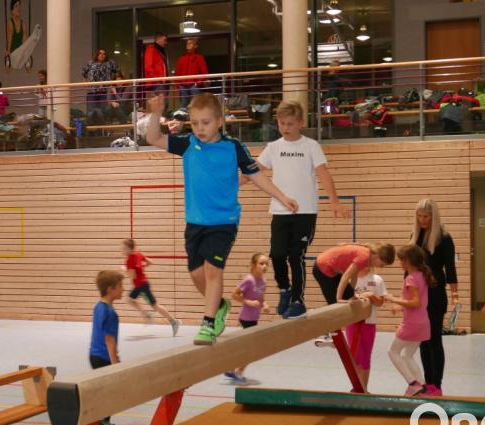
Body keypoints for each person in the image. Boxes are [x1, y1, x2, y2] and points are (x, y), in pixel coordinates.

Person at [146, 92, 298, 346]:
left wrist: (281, 196)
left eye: (205, 123)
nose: (199, 128)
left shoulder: (233, 147)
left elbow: (255, 175)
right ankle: (220, 305)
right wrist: (155, 112)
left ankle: (207, 324)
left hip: (224, 221)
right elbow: (153, 137)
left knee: (212, 271)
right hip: (195, 222)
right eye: (194, 123)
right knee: (196, 275)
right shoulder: (187, 144)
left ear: (219, 121)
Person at [252, 101, 349, 319]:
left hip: (305, 212)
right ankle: (285, 290)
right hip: (279, 210)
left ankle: (298, 300)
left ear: (301, 123)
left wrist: (334, 201)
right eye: (282, 123)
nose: (285, 127)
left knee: (296, 256)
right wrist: (231, 185)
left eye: (290, 123)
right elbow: (254, 171)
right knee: (277, 255)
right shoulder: (273, 147)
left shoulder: (310, 146)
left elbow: (323, 173)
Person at [411, 199, 458, 396]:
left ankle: (436, 384)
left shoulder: (444, 238)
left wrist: (455, 294)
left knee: (434, 340)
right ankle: (428, 382)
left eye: (426, 216)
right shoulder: (415, 236)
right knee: (423, 340)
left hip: (436, 292)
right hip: (418, 294)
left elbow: (450, 268)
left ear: (434, 216)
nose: (422, 220)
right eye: (419, 216)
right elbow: (410, 267)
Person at [385, 245, 433, 397]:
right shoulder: (421, 276)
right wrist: (398, 306)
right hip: (423, 323)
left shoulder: (410, 278)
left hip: (411, 324)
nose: (400, 263)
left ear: (407, 261)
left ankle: (413, 384)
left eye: (401, 260)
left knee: (392, 352)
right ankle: (423, 385)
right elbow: (417, 304)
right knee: (407, 356)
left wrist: (394, 299)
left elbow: (415, 302)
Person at [87, 270, 124, 425]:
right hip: (103, 357)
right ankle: (103, 422)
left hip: (96, 355)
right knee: (108, 392)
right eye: (120, 286)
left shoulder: (100, 306)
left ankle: (100, 420)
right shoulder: (108, 311)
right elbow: (109, 339)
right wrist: (115, 363)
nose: (123, 289)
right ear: (110, 289)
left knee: (104, 390)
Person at [225, 253, 271, 383]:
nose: (265, 266)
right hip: (246, 318)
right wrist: (249, 302)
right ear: (254, 265)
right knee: (252, 348)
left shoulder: (263, 281)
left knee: (249, 347)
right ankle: (237, 371)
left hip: (254, 318)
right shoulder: (249, 280)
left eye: (267, 264)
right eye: (261, 263)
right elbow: (235, 295)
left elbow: (261, 299)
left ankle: (231, 368)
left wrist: (265, 305)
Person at [122, 239, 181, 336]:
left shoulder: (129, 260)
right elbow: (150, 262)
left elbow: (133, 276)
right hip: (141, 284)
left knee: (155, 306)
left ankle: (173, 322)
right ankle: (146, 314)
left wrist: (124, 270)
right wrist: (141, 267)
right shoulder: (139, 254)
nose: (122, 250)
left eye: (124, 248)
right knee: (129, 299)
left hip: (141, 286)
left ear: (130, 249)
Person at [343, 266, 387, 390]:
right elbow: (343, 299)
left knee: (365, 357)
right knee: (354, 357)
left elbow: (380, 303)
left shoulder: (377, 279)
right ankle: (356, 387)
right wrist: (356, 296)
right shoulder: (349, 278)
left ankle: (363, 388)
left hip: (369, 322)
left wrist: (371, 295)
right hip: (352, 322)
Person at [312, 243, 395, 309]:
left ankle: (334, 323)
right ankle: (330, 325)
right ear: (377, 256)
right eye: (381, 265)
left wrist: (353, 296)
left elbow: (354, 276)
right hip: (322, 268)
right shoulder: (364, 257)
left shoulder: (366, 256)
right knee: (334, 304)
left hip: (330, 269)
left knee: (348, 295)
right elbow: (346, 277)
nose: (381, 267)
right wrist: (339, 298)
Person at [82, 49, 120, 124]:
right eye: (100, 53)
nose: (102, 55)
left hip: (103, 91)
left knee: (102, 112)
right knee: (91, 112)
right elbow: (84, 73)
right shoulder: (91, 63)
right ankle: (91, 131)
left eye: (104, 54)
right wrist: (86, 84)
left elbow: (118, 70)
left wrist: (113, 81)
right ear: (97, 54)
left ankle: (102, 130)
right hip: (92, 92)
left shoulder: (109, 63)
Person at [175, 38, 209, 108]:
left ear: (195, 46)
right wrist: (178, 85)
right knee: (183, 106)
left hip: (194, 86)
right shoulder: (181, 58)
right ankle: (183, 117)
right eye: (187, 43)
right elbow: (177, 73)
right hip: (183, 86)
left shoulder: (199, 57)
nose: (188, 45)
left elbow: (204, 72)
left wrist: (197, 83)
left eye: (190, 43)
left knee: (196, 105)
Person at [143, 32, 169, 100]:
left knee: (163, 105)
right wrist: (156, 80)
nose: (166, 42)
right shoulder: (151, 49)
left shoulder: (161, 51)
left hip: (161, 83)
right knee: (160, 106)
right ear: (158, 39)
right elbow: (148, 67)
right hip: (157, 83)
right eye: (164, 40)